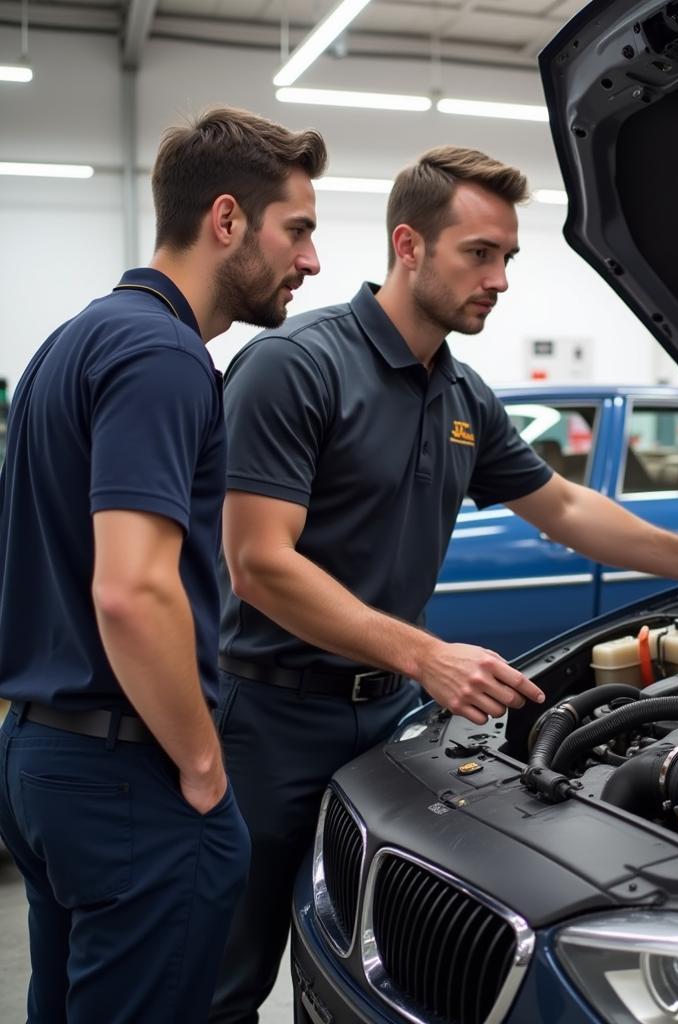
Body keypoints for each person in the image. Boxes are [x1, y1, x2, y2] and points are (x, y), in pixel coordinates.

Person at [209, 145, 678, 1022]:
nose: (499, 279)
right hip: (269, 719)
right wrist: (428, 654)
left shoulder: (461, 394)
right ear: (408, 244)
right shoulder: (297, 365)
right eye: (479, 254)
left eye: (508, 258)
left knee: (360, 945)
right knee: (228, 973)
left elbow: (564, 506)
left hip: (384, 720)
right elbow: (259, 563)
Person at [0, 107, 326, 1023]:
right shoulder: (164, 355)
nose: (311, 261)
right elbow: (132, 588)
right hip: (125, 773)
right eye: (296, 229)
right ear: (227, 220)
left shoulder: (73, 341)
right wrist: (202, 766)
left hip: (39, 757)